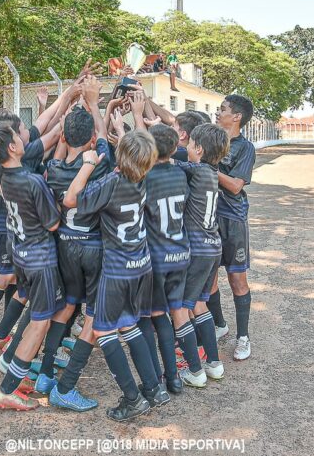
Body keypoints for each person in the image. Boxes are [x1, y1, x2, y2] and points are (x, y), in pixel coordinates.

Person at [63, 128, 168, 422]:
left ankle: (132, 399)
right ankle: (154, 388)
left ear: (120, 158)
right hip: (141, 265)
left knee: (103, 331)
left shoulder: (112, 182)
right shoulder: (144, 177)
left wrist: (88, 163)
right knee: (129, 325)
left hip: (118, 269)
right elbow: (139, 153)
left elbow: (71, 199)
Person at [0, 119, 66, 411]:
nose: (23, 139)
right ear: (12, 147)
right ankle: (7, 388)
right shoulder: (31, 181)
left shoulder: (3, 178)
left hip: (22, 253)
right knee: (40, 322)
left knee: (35, 313)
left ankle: (15, 372)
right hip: (40, 259)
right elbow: (53, 222)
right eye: (17, 137)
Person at [45, 77, 111, 411]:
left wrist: (75, 106)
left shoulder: (53, 168)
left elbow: (69, 145)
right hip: (93, 247)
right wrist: (96, 105)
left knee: (67, 304)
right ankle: (66, 386)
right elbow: (102, 141)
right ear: (89, 139)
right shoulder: (99, 168)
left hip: (64, 247)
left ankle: (44, 372)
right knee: (93, 319)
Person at [172, 123, 230, 387]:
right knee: (199, 304)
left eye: (189, 144)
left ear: (198, 149)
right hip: (212, 246)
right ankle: (214, 364)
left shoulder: (195, 170)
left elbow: (168, 161)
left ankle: (195, 370)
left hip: (197, 248)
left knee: (183, 306)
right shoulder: (212, 171)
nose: (186, 149)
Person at [140, 123, 190, 395]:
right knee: (171, 314)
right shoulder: (181, 174)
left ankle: (156, 378)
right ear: (174, 149)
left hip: (156, 257)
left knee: (151, 317)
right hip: (180, 253)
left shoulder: (145, 177)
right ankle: (175, 377)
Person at [210, 94, 256, 361]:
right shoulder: (213, 139)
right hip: (208, 219)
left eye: (223, 109)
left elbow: (236, 186)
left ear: (236, 117)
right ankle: (219, 324)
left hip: (233, 220)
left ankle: (243, 338)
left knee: (237, 279)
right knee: (209, 277)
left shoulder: (245, 148)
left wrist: (206, 168)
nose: (219, 113)